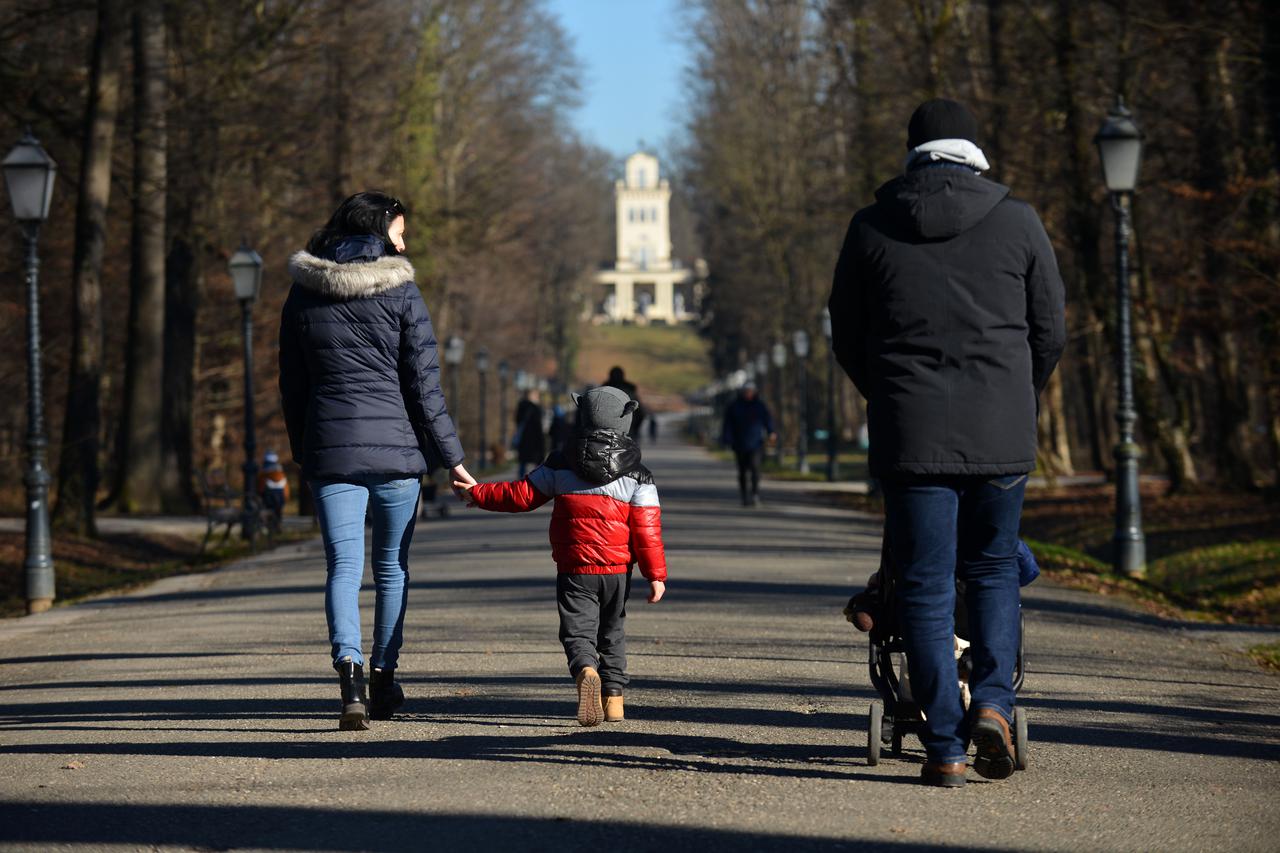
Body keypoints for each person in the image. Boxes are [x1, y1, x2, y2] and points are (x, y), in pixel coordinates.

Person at [828, 98, 1065, 787]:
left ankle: (945, 745)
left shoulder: (871, 228)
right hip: (1001, 433)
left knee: (926, 587)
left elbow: (846, 334)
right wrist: (1017, 395)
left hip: (911, 434)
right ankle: (992, 701)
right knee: (992, 569)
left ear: (912, 152)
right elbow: (1049, 329)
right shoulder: (1018, 221)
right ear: (973, 151)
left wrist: (891, 395)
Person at [279, 190, 476, 731]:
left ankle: (350, 676)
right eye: (401, 232)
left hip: (331, 453)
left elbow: (292, 386)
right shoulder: (402, 292)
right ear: (380, 230)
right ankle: (386, 676)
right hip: (397, 453)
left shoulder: (303, 292)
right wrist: (452, 459)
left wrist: (306, 450)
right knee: (391, 568)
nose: (405, 242)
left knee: (342, 567)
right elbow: (423, 388)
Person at [455, 386, 667, 727]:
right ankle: (615, 703)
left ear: (581, 416)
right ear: (626, 419)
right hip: (617, 570)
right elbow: (648, 530)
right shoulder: (638, 472)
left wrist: (478, 494)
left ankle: (585, 669)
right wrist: (656, 575)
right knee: (613, 630)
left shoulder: (560, 462)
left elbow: (519, 496)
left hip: (575, 568)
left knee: (578, 630)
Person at [721, 382, 775, 506]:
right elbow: (727, 424)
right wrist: (726, 439)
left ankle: (755, 493)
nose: (748, 394)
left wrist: (771, 431)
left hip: (756, 443)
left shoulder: (760, 406)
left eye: (751, 391)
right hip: (739, 443)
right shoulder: (734, 406)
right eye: (746, 391)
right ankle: (744, 496)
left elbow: (767, 420)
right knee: (742, 471)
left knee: (755, 468)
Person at [604, 366, 645, 441]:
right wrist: (635, 430)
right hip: (627, 433)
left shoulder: (603, 392)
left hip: (606, 433)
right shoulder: (629, 392)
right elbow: (640, 414)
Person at [512, 390, 546, 478]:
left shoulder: (521, 407)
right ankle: (537, 481)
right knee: (538, 463)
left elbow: (517, 421)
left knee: (522, 463)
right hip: (534, 440)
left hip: (523, 440)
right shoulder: (535, 408)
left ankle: (520, 483)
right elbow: (538, 427)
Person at [256, 451, 290, 530]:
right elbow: (286, 488)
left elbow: (260, 486)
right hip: (280, 494)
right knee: (278, 511)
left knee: (268, 510)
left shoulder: (264, 472)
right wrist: (286, 497)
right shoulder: (281, 472)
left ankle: (269, 527)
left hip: (268, 494)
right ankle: (277, 525)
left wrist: (259, 493)